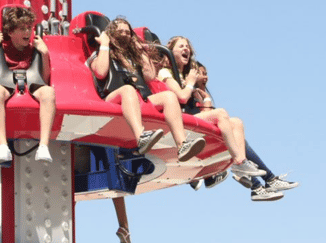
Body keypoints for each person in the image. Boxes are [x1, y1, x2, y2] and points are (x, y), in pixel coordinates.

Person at [90, 18, 205, 161]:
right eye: (120, 32)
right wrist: (105, 44)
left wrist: (141, 52)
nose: (124, 35)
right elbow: (100, 72)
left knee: (169, 96)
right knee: (128, 90)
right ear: (112, 34)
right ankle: (141, 137)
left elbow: (150, 75)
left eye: (127, 32)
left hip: (138, 98)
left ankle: (182, 145)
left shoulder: (132, 57)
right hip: (113, 97)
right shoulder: (104, 52)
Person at [157, 36, 266, 182]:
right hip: (175, 120)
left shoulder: (185, 75)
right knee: (221, 114)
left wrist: (204, 98)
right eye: (181, 46)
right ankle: (239, 162)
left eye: (187, 47)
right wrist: (190, 83)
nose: (185, 49)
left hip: (189, 118)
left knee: (236, 122)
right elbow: (182, 97)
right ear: (171, 52)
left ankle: (242, 164)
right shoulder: (165, 72)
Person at [192, 61, 299, 201]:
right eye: (202, 73)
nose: (206, 77)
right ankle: (265, 181)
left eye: (207, 74)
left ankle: (258, 185)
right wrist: (203, 98)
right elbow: (202, 119)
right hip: (197, 134)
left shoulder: (201, 94)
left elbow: (207, 116)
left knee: (238, 136)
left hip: (206, 134)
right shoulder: (191, 93)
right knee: (234, 137)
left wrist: (206, 98)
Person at [0, 6, 56, 164]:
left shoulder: (34, 49)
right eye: (22, 29)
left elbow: (43, 78)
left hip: (32, 82)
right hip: (5, 82)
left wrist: (44, 54)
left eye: (29, 28)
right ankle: (3, 146)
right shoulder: (1, 49)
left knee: (49, 93)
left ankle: (44, 145)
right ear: (10, 32)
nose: (28, 32)